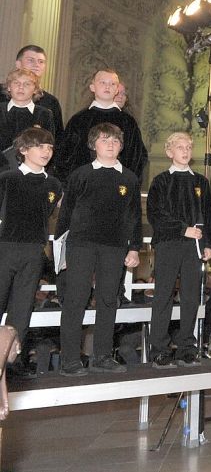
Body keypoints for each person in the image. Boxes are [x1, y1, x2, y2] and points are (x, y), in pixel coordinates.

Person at [55, 123, 142, 375]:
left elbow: (134, 218)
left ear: (121, 145)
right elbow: (65, 216)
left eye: (115, 140)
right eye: (105, 140)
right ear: (94, 145)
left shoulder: (130, 178)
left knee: (108, 300)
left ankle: (103, 356)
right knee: (76, 300)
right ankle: (70, 359)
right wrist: (62, 253)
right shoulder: (80, 175)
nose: (111, 144)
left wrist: (134, 248)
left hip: (114, 247)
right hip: (80, 245)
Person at [145, 132, 211, 368]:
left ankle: (187, 347)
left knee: (190, 297)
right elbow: (156, 215)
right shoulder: (161, 181)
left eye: (188, 147)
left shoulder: (201, 182)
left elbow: (209, 216)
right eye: (179, 147)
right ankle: (159, 349)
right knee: (163, 296)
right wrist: (182, 229)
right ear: (169, 152)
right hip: (168, 244)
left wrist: (209, 244)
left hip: (194, 246)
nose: (185, 151)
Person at [0, 128, 61, 377]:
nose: (46, 151)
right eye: (40, 146)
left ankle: (14, 361)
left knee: (22, 309)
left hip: (34, 251)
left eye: (49, 147)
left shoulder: (54, 184)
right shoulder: (7, 179)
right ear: (23, 150)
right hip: (5, 248)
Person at [53, 68, 148, 181]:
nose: (107, 86)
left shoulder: (128, 122)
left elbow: (136, 158)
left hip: (118, 185)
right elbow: (65, 156)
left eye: (112, 84)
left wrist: (127, 182)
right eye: (102, 82)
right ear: (92, 87)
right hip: (84, 185)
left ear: (117, 89)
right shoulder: (79, 120)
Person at [0, 46, 64, 140]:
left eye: (41, 61)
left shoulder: (51, 102)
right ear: (18, 64)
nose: (36, 65)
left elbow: (57, 139)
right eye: (31, 60)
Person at [0, 69, 56, 168]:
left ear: (35, 89)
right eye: (16, 83)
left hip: (32, 170)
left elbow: (49, 145)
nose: (21, 87)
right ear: (9, 87)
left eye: (27, 84)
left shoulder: (44, 114)